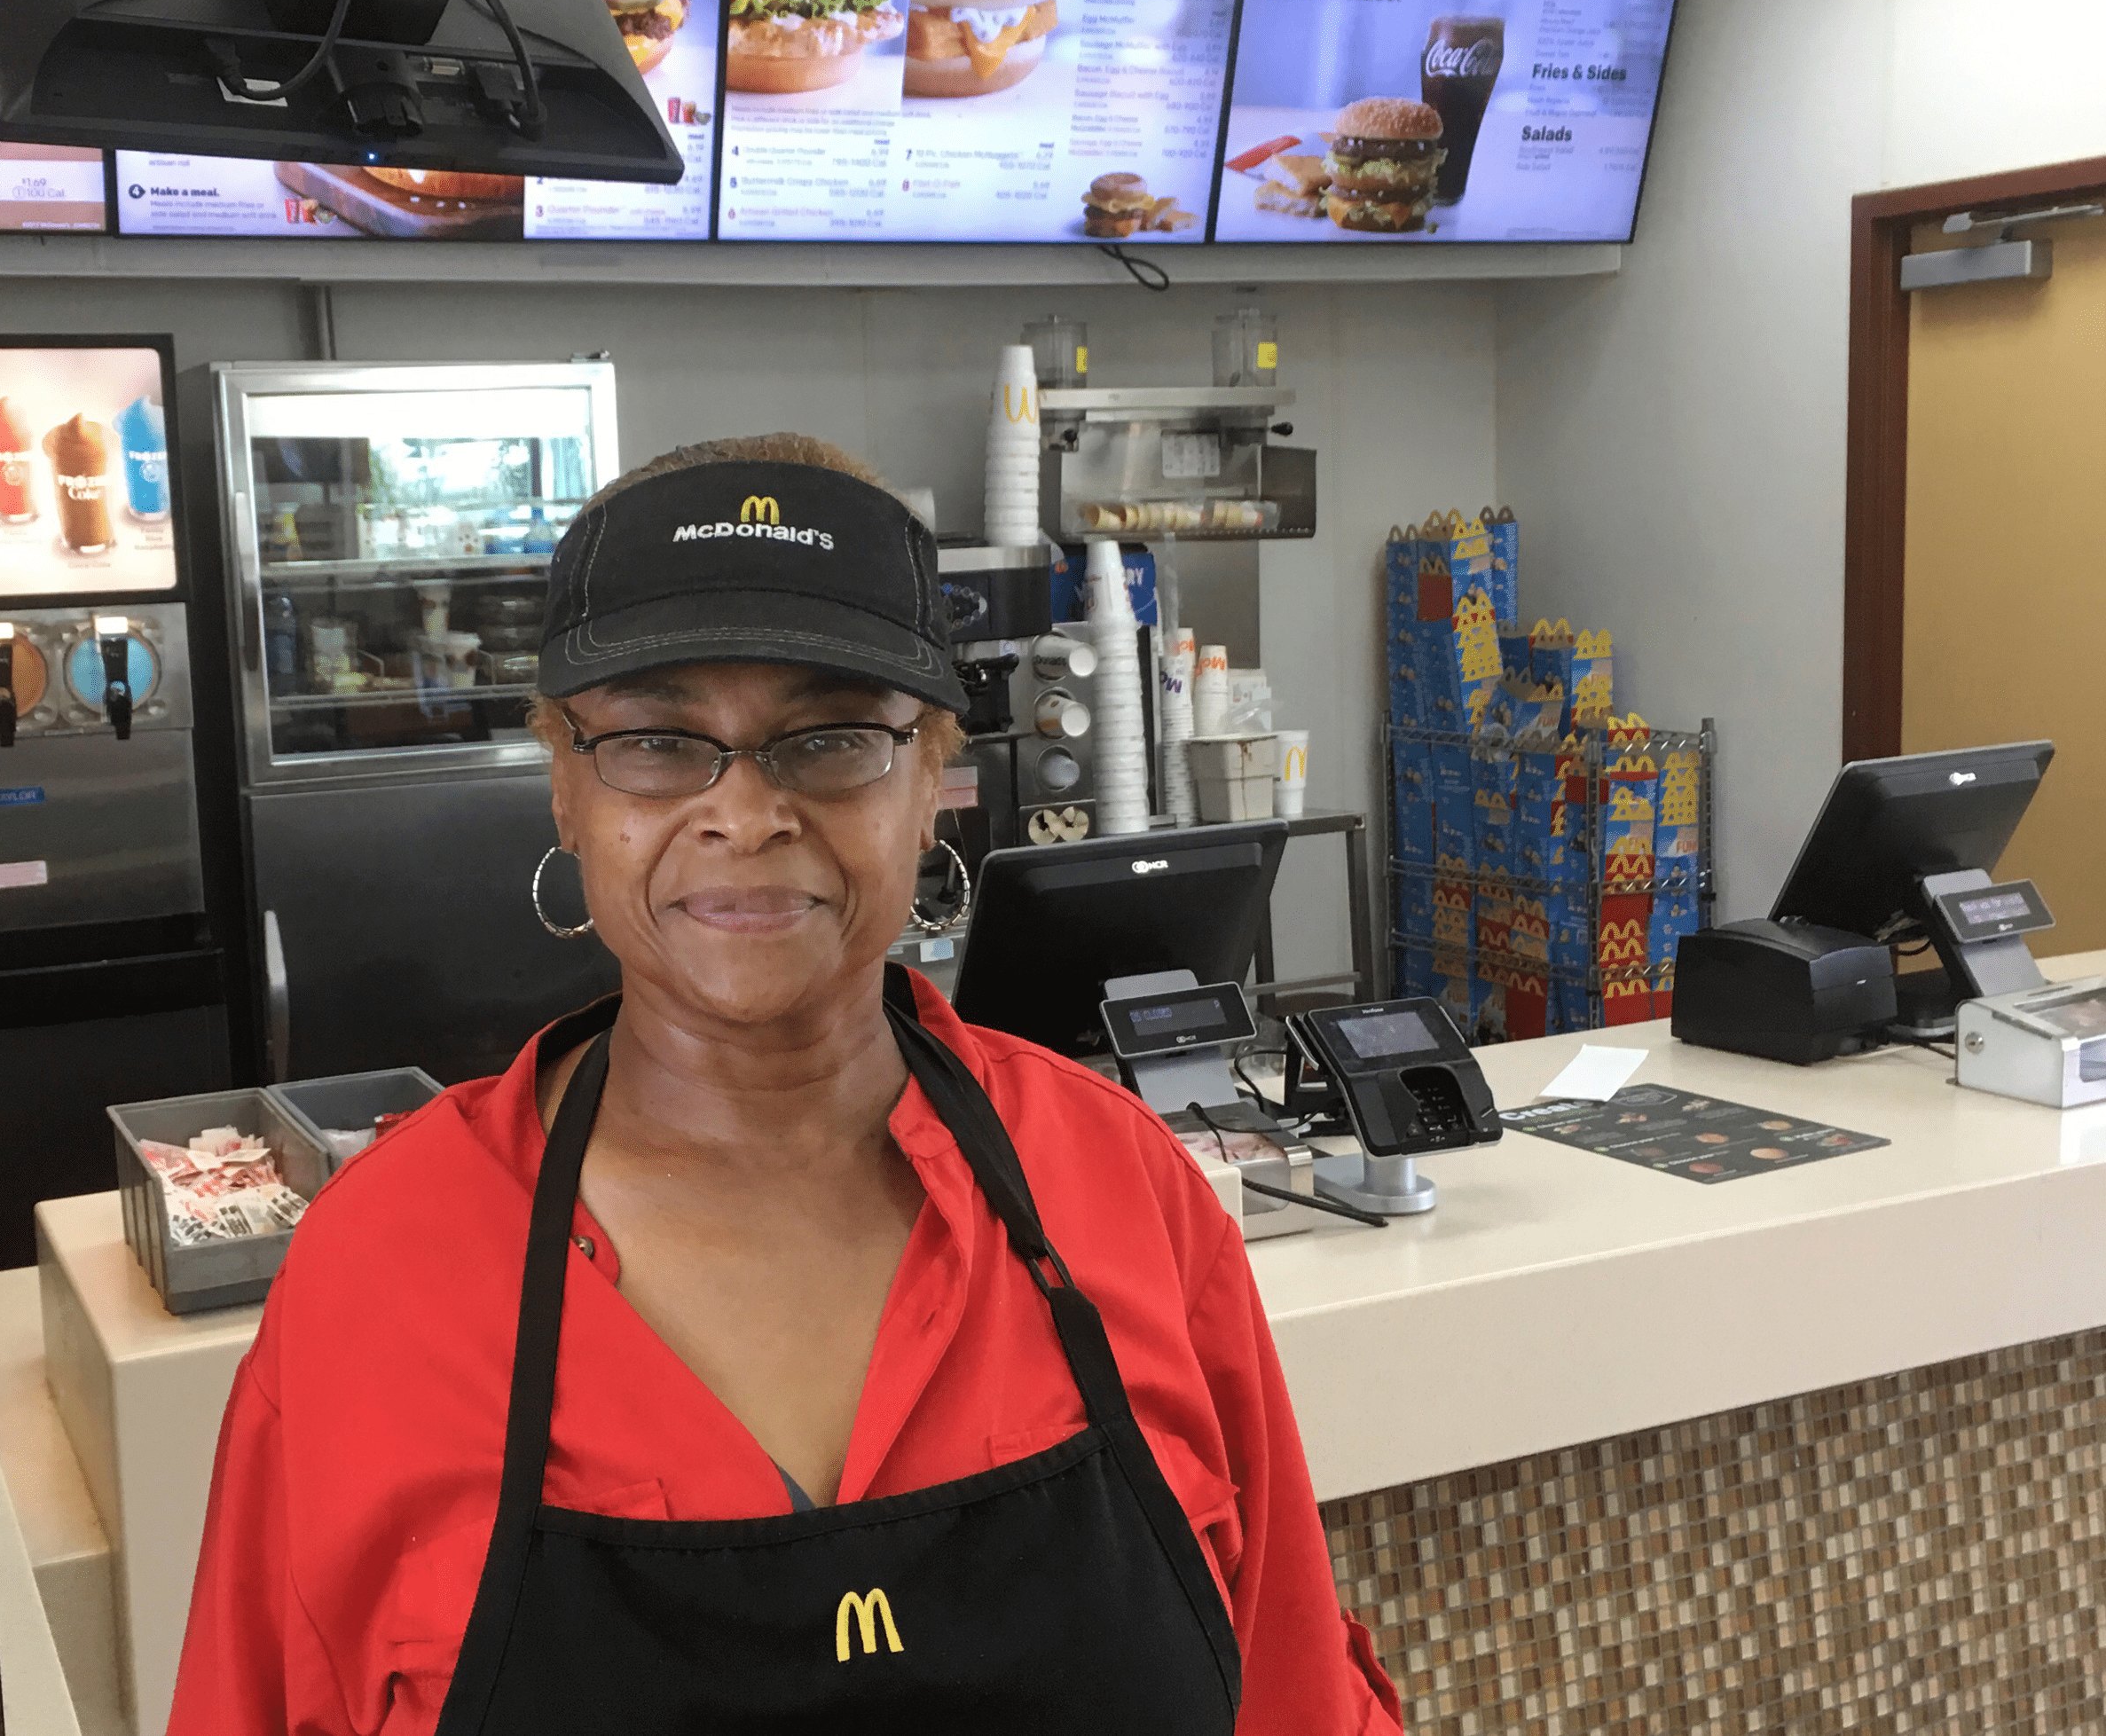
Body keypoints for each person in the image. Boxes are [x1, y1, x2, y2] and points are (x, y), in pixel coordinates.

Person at [170, 435, 1403, 1734]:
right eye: (657, 739)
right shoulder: (382, 1272)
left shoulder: (1120, 1190)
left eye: (828, 738)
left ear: (934, 776)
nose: (746, 811)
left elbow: (1294, 1695)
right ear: (565, 787)